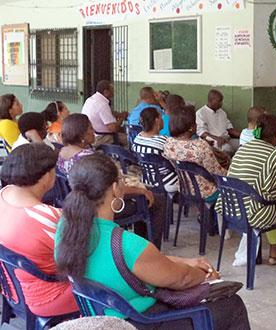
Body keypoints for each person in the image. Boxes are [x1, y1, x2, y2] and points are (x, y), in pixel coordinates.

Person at [55, 154, 250, 330]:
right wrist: (204, 274)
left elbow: (143, 263)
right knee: (232, 305)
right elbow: (181, 279)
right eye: (121, 179)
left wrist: (184, 261)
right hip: (141, 323)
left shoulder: (66, 228)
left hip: (101, 317)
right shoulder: (125, 244)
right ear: (115, 189)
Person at [57, 114, 164, 248]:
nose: (94, 131)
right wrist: (141, 191)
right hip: (101, 207)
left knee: (145, 195)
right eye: (90, 128)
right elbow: (115, 188)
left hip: (80, 204)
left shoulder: (62, 152)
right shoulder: (89, 158)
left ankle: (139, 244)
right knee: (156, 199)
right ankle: (150, 249)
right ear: (82, 134)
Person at [0, 143, 79, 317]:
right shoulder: (49, 217)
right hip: (49, 296)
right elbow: (77, 259)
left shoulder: (4, 194)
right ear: (45, 177)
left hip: (11, 286)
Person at [219, 114, 276, 268]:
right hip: (256, 214)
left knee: (268, 194)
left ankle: (275, 251)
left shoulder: (243, 149)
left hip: (231, 209)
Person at [164, 105, 227, 204]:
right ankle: (213, 217)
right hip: (206, 192)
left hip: (184, 187)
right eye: (195, 122)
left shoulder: (168, 143)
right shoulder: (201, 146)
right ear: (191, 127)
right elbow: (217, 173)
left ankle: (202, 213)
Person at [132, 108, 179, 193]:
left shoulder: (137, 139)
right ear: (157, 120)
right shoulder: (164, 141)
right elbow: (177, 162)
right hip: (167, 182)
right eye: (161, 117)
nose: (163, 120)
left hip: (147, 179)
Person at [81, 80, 128, 146]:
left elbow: (105, 113)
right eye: (112, 90)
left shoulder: (91, 99)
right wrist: (122, 117)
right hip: (101, 137)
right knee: (130, 139)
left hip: (92, 134)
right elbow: (113, 129)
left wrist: (119, 114)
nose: (114, 92)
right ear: (106, 92)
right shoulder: (102, 105)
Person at [196, 89, 240, 154]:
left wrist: (243, 135)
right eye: (219, 101)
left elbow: (229, 129)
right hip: (214, 142)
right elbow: (202, 132)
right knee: (227, 149)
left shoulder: (222, 112)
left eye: (221, 101)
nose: (221, 104)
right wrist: (217, 138)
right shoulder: (201, 113)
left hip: (227, 139)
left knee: (244, 145)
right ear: (211, 100)